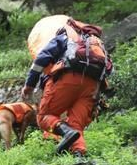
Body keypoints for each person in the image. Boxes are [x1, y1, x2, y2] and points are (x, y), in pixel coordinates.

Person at [21, 20, 113, 156]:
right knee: (75, 125)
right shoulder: (97, 45)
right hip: (93, 87)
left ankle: (67, 133)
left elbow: (41, 59)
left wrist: (29, 85)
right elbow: (109, 70)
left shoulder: (66, 36)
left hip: (68, 79)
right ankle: (79, 156)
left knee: (45, 116)